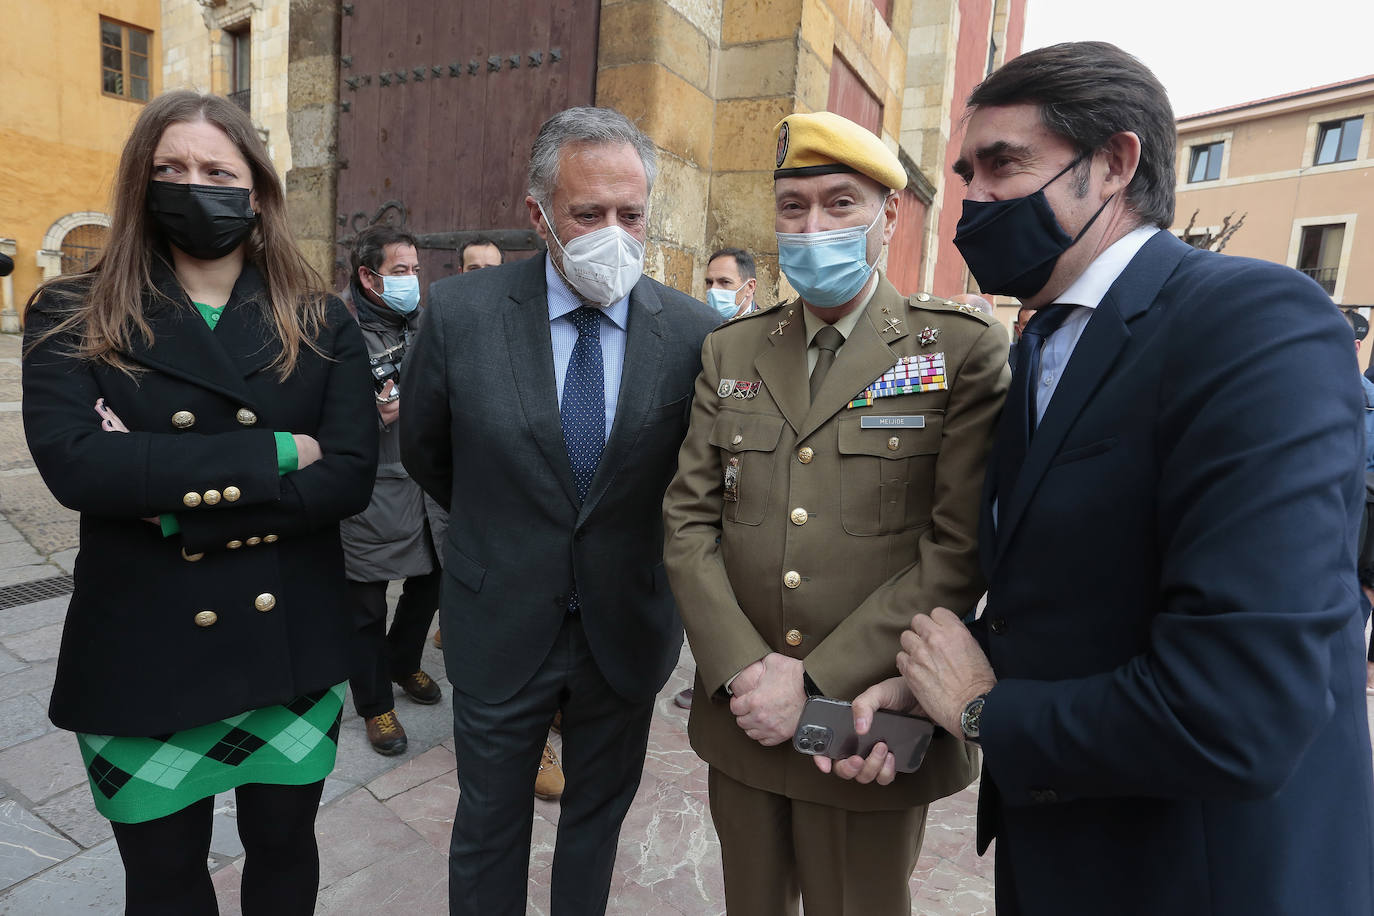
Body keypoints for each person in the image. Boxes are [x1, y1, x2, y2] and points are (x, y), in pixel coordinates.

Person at [830, 41, 1374, 916]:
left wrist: (982, 710)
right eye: (967, 172)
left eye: (1006, 164)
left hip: (1199, 875)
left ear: (1115, 164)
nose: (976, 200)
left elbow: (1238, 709)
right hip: (1065, 859)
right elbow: (1084, 589)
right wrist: (938, 686)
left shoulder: (1252, 325)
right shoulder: (1042, 343)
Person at [21, 90, 377, 914]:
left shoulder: (321, 318)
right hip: (143, 649)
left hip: (286, 636)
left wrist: (167, 494)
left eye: (218, 169)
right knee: (164, 875)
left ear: (256, 187)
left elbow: (350, 477)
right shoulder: (73, 310)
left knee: (285, 850)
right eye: (170, 169)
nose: (195, 184)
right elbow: (78, 468)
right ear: (139, 186)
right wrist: (283, 450)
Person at [662, 110, 1009, 915]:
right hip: (742, 714)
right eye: (794, 207)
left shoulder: (955, 349)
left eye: (840, 203)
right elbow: (688, 521)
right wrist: (746, 671)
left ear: (889, 216)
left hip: (867, 717)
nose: (812, 225)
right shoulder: (732, 350)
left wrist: (813, 679)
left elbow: (958, 548)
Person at [401, 106, 718, 916]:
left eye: (631, 214)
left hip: (626, 626)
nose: (613, 232)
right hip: (499, 615)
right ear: (539, 214)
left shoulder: (692, 332)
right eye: (589, 214)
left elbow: (696, 479)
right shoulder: (462, 314)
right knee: (488, 825)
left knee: (596, 825)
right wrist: (506, 534)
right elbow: (429, 454)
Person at [341, 224, 446, 756]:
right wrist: (373, 413)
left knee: (430, 585)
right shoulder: (338, 328)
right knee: (364, 604)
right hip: (370, 492)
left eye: (414, 271)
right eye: (400, 271)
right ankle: (374, 702)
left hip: (427, 488)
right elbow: (317, 413)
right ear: (368, 275)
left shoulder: (426, 323)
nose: (411, 281)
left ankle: (404, 662)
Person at [703, 247, 757, 321]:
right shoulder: (698, 324)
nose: (713, 289)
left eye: (725, 282)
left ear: (750, 287)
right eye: (709, 282)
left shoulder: (769, 328)